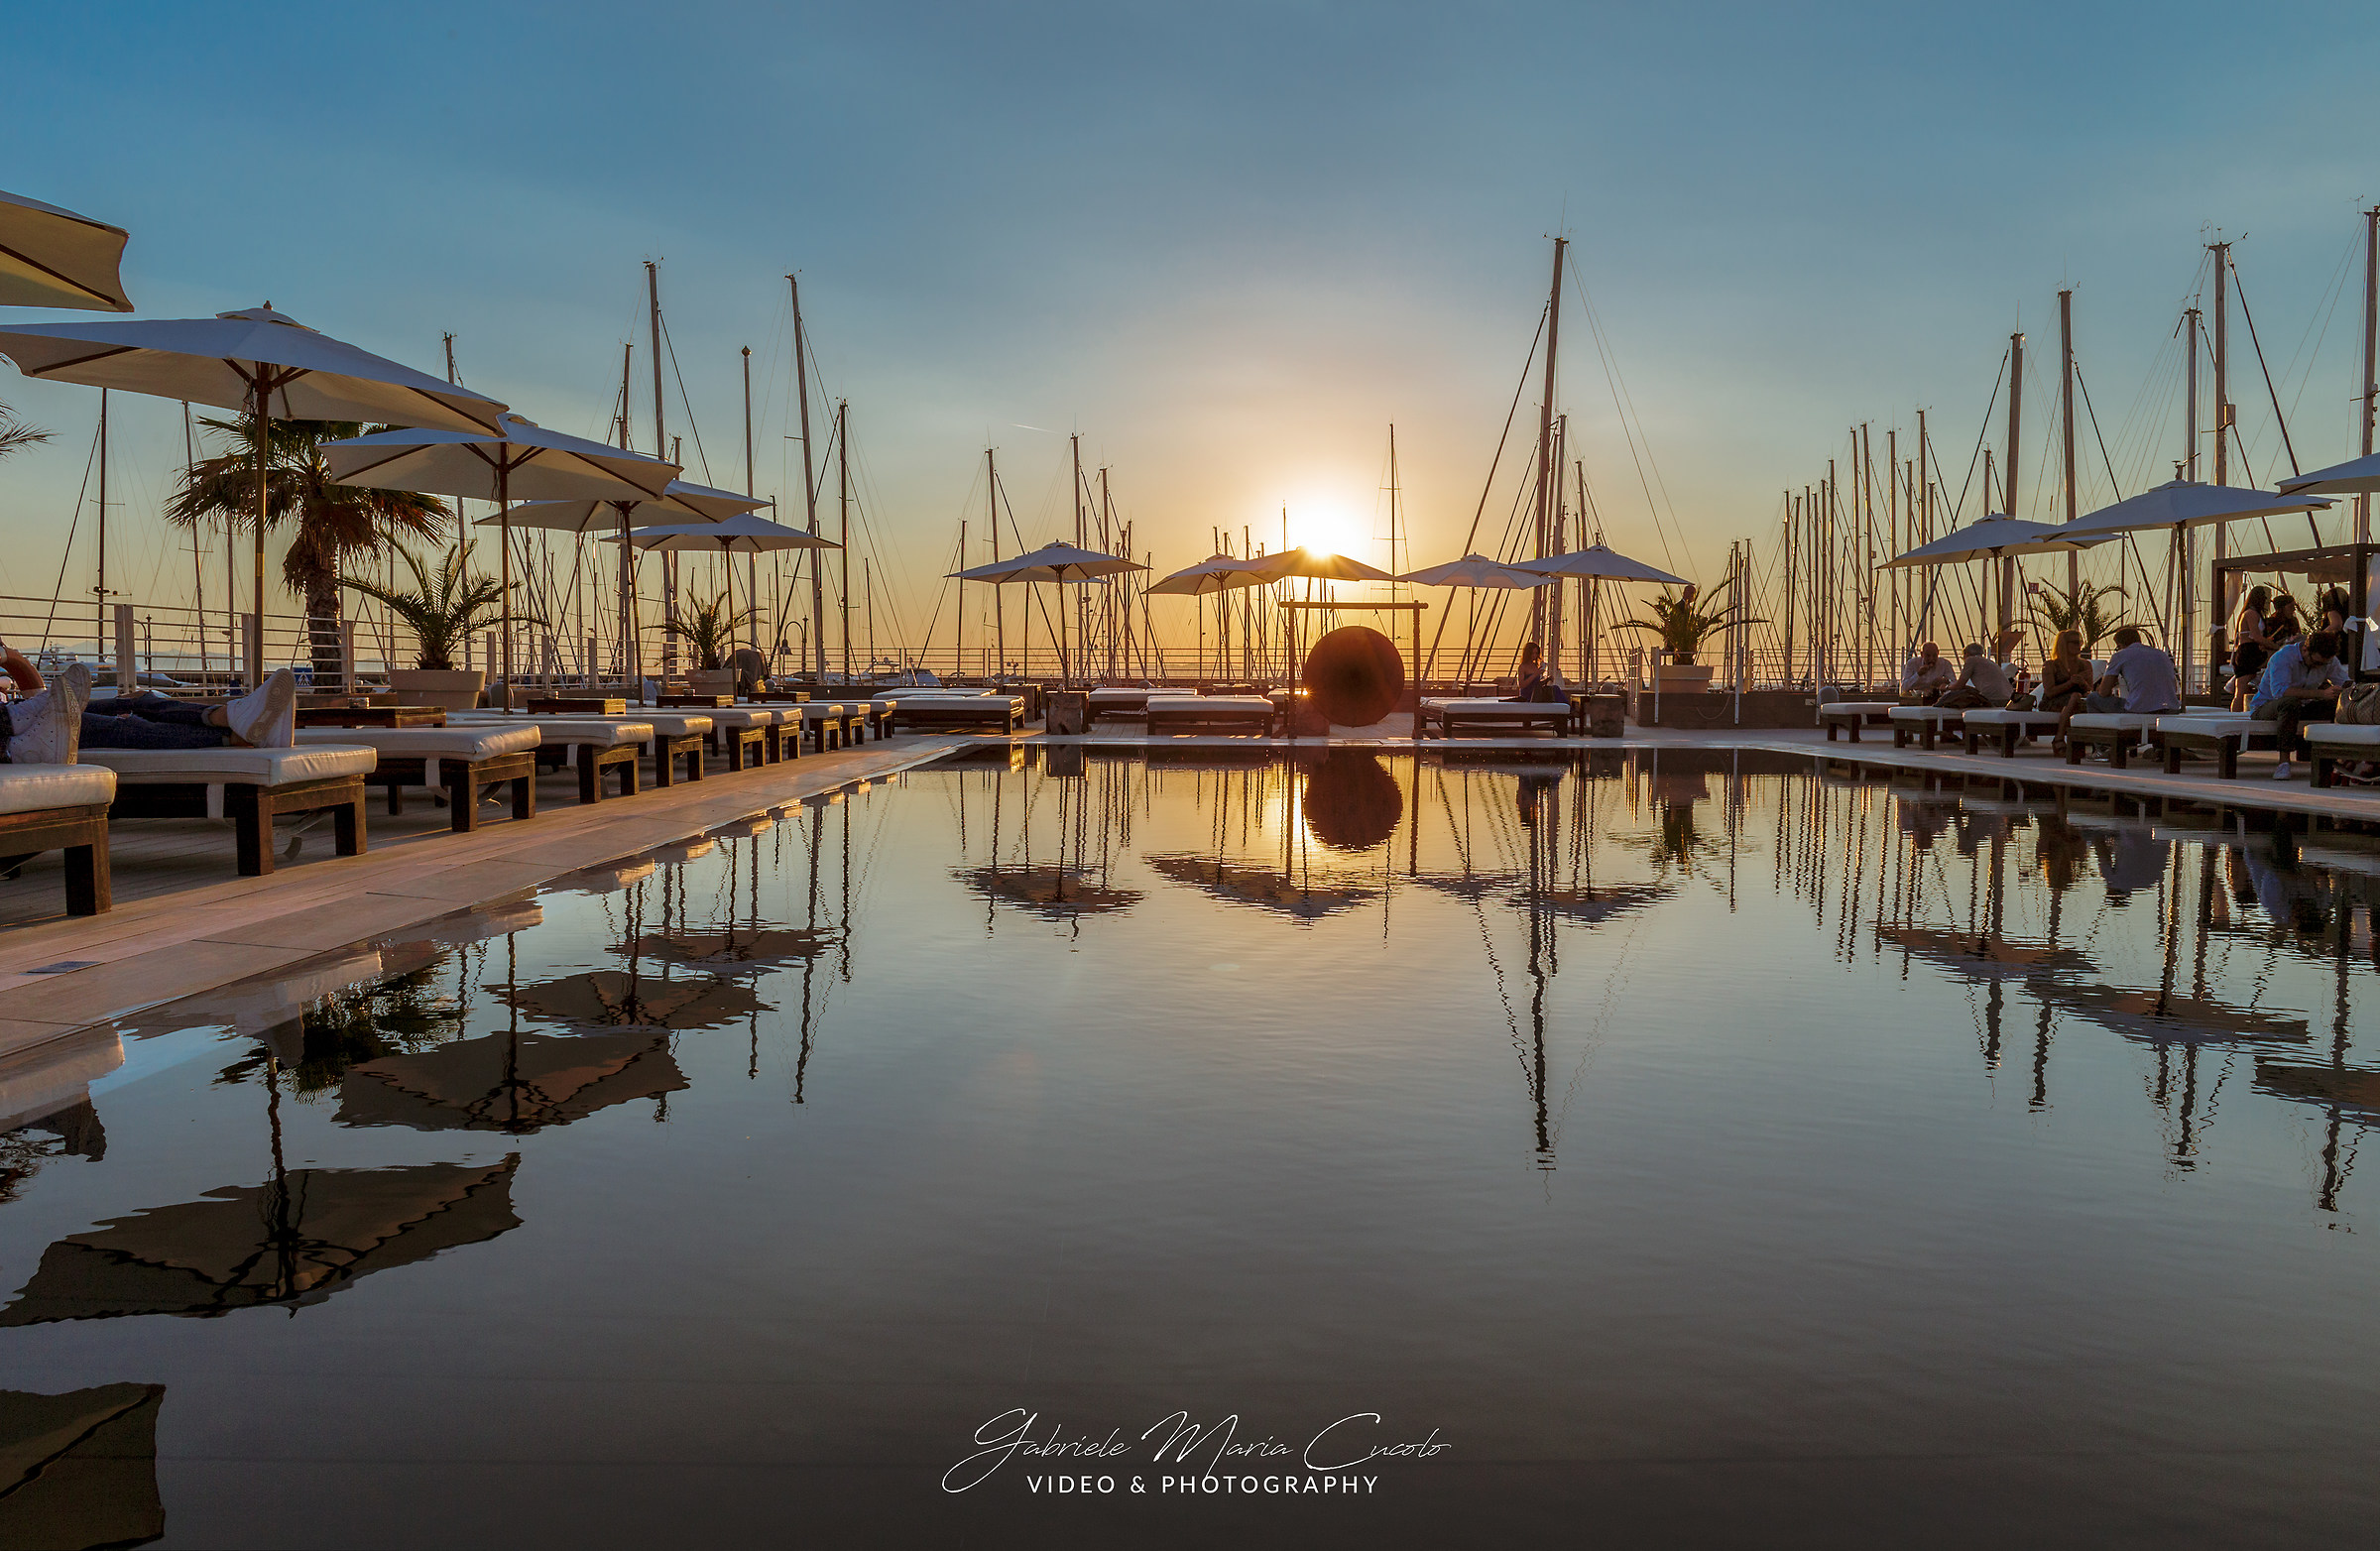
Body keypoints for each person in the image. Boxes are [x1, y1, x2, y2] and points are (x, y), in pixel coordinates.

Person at [2, 644, 295, 765]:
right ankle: (234, 730)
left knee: (137, 699)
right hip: (8, 736)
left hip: (9, 715)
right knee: (119, 725)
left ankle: (228, 717)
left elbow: (14, 664)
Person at [2250, 628, 2349, 780]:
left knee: (2337, 706)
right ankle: (2284, 762)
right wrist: (2322, 694)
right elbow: (2280, 692)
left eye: (2323, 664)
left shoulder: (2328, 661)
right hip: (2268, 706)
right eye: (2315, 662)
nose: (2318, 667)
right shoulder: (2283, 657)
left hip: (2303, 705)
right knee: (2290, 703)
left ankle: (2336, 757)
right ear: (2305, 649)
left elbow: (2344, 682)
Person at [2083, 626, 2182, 723]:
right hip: (2171, 709)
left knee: (2092, 698)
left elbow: (2103, 692)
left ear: (2120, 645)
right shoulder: (2161, 654)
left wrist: (2104, 686)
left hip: (2140, 710)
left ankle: (2103, 734)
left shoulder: (2120, 655)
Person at [2038, 629, 2093, 740]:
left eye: (2080, 642)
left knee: (2079, 698)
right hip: (2053, 702)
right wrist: (2071, 683)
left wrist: (2082, 683)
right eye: (2075, 642)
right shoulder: (2050, 665)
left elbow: (2089, 691)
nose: (2079, 645)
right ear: (2064, 645)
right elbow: (2049, 692)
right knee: (2075, 696)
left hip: (2079, 701)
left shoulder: (2086, 665)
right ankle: (2059, 737)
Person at [2228, 585, 2272, 711]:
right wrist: (2274, 646)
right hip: (2248, 652)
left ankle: (2237, 715)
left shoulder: (2249, 613)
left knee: (2241, 689)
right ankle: (2236, 717)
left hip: (2249, 651)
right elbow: (2256, 636)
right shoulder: (2251, 614)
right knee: (2241, 689)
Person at [1935, 643, 2010, 710]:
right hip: (2007, 699)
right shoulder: (1990, 662)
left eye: (1963, 657)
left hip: (1993, 700)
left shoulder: (1971, 660)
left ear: (1966, 654)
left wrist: (1945, 687)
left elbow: (1959, 686)